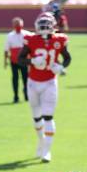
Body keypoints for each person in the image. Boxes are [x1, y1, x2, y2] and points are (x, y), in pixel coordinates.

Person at [18, 13, 71, 163]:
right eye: (42, 23)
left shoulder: (59, 39)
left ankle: (47, 151)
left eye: (47, 23)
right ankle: (41, 141)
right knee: (36, 117)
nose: (44, 27)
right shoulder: (31, 40)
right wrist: (32, 61)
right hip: (33, 82)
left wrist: (61, 67)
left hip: (49, 82)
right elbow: (20, 59)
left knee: (48, 116)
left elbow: (67, 58)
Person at [4, 17, 31, 103]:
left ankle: (27, 95)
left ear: (22, 25)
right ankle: (16, 96)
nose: (17, 26)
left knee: (26, 79)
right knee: (15, 79)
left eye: (19, 24)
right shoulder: (10, 36)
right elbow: (6, 49)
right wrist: (5, 61)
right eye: (16, 24)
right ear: (13, 25)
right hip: (14, 61)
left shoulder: (27, 35)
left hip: (24, 61)